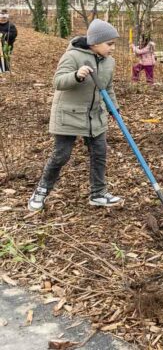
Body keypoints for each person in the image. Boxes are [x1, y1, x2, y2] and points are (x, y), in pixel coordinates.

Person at [28, 20, 123, 211]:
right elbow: (58, 82)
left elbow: (108, 87)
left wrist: (114, 108)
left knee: (99, 153)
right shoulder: (72, 56)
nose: (112, 48)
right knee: (61, 155)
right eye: (109, 44)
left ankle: (98, 193)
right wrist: (77, 76)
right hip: (68, 114)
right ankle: (41, 191)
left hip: (94, 115)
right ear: (95, 43)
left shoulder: (109, 62)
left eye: (113, 44)